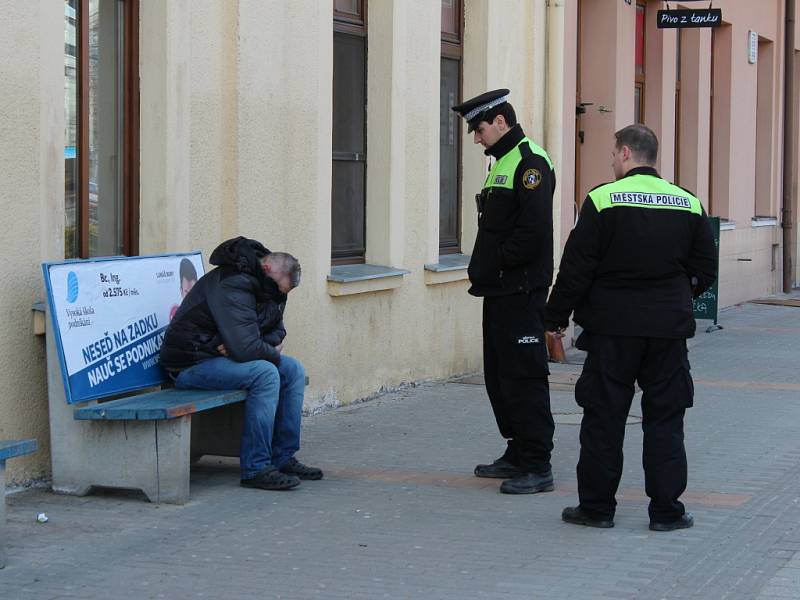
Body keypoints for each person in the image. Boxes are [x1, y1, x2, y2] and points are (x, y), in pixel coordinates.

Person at [544, 124, 717, 530]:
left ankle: (597, 509)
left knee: (604, 419)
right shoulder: (687, 202)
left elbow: (576, 268)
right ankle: (666, 513)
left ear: (624, 154)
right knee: (665, 419)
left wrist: (555, 318)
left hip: (611, 331)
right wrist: (675, 296)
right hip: (667, 332)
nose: (611, 160)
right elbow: (705, 269)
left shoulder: (602, 199)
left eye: (612, 153)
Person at [451, 89, 557, 495]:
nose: (476, 139)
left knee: (524, 374)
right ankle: (516, 450)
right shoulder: (503, 162)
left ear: (500, 122)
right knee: (499, 374)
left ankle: (537, 463)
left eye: (478, 129)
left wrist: (495, 265)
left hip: (520, 288)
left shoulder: (530, 163)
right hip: (499, 289)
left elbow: (531, 232)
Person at [159, 236, 322, 491]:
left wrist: (254, 343)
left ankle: (283, 457)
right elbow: (246, 349)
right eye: (280, 290)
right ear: (267, 268)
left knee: (294, 370)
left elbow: (277, 331)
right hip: (190, 364)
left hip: (222, 359)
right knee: (267, 373)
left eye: (283, 294)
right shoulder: (233, 283)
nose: (279, 296)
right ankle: (256, 467)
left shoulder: (269, 286)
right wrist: (262, 349)